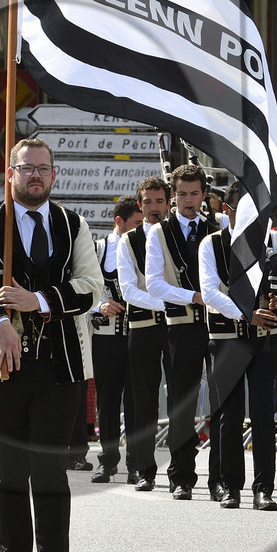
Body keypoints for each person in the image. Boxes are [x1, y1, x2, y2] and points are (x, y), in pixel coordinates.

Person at [0, 138, 101, 552]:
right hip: (2, 365)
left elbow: (90, 288)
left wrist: (37, 301)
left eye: (43, 168)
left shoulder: (73, 224)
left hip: (60, 365)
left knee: (51, 469)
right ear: (12, 174)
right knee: (10, 467)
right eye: (26, 168)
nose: (35, 175)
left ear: (54, 176)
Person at [199, 202, 277, 510]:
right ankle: (229, 487)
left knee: (264, 414)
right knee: (229, 415)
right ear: (228, 210)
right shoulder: (212, 244)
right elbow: (210, 292)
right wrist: (246, 314)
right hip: (226, 340)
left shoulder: (275, 242)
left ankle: (264, 488)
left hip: (264, 340)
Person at [145, 164, 216, 501]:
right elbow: (155, 283)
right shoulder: (159, 233)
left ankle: (221, 477)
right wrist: (193, 296)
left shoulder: (218, 228)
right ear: (174, 196)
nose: (189, 200)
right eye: (183, 194)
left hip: (219, 325)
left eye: (195, 193)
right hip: (182, 324)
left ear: (204, 194)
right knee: (181, 402)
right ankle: (181, 475)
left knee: (222, 400)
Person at [118, 176, 169, 488]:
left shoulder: (178, 234)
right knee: (143, 400)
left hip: (179, 327)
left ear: (168, 202)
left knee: (179, 398)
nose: (154, 207)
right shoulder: (129, 241)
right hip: (144, 325)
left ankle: (181, 473)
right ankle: (141, 467)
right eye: (147, 202)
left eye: (159, 201)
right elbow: (128, 290)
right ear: (140, 205)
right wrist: (168, 303)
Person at [89, 199, 144, 483]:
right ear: (119, 222)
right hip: (106, 337)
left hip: (137, 334)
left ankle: (135, 463)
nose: (142, 228)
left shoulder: (145, 247)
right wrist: (100, 306)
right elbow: (85, 290)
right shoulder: (100, 249)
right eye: (136, 223)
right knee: (107, 402)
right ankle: (107, 461)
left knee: (136, 402)